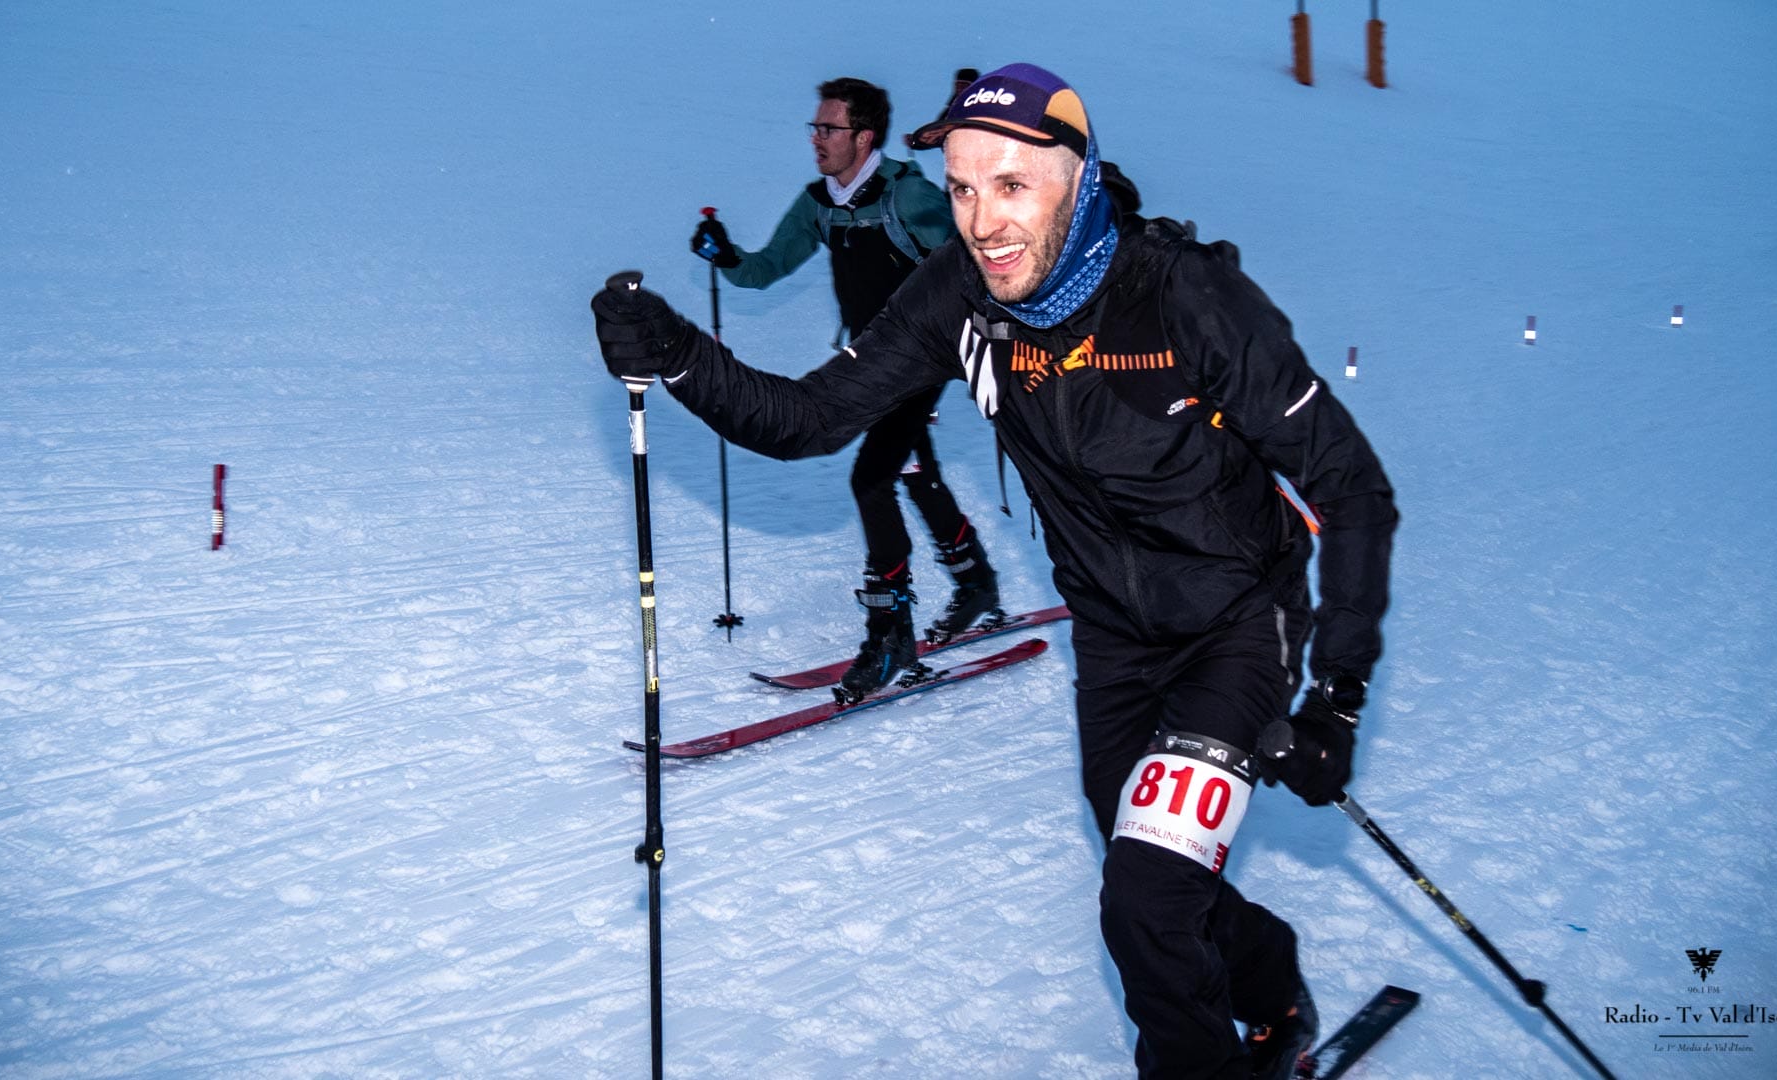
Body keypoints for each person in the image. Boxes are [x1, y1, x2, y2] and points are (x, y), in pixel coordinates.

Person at [595, 63, 1398, 1080]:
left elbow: (1351, 487)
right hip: (1113, 637)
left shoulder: (1188, 298)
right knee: (1141, 866)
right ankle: (1267, 974)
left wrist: (1337, 694)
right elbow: (806, 419)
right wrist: (675, 352)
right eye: (964, 188)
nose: (982, 220)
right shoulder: (961, 294)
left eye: (1011, 185)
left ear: (1077, 178)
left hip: (1237, 624)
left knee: (1145, 900)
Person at [688, 76, 1002, 699]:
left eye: (829, 129)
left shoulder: (907, 196)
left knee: (872, 477)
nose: (817, 139)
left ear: (864, 137)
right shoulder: (820, 203)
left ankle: (891, 633)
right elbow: (765, 269)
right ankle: (975, 582)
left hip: (926, 354)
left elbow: (974, 261)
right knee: (910, 467)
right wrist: (725, 256)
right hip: (869, 360)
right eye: (815, 127)